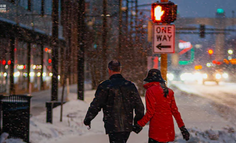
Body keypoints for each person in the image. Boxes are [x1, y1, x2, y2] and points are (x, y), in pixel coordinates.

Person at [83, 59, 144, 143]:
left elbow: (96, 104)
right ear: (120, 69)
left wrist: (88, 118)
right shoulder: (130, 86)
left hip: (112, 124)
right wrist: (138, 123)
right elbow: (139, 106)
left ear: (109, 70)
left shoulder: (105, 86)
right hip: (126, 124)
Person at [137, 69, 190, 143]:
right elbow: (175, 111)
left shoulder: (150, 90)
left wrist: (139, 125)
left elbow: (150, 112)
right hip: (168, 129)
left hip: (156, 130)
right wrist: (182, 128)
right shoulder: (169, 91)